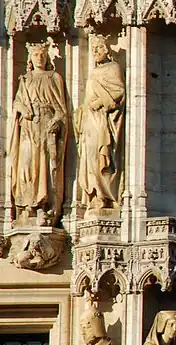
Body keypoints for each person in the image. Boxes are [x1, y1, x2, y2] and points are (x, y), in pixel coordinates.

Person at [9, 42, 68, 225]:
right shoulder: (25, 80)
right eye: (36, 55)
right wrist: (23, 109)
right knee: (26, 165)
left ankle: (44, 206)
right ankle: (27, 206)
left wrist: (56, 121)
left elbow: (61, 109)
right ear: (30, 59)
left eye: (42, 55)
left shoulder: (54, 78)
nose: (39, 58)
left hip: (46, 127)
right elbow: (17, 102)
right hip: (28, 127)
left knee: (45, 165)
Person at [75, 35, 125, 217]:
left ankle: (106, 197)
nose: (95, 51)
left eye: (99, 47)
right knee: (90, 159)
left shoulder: (113, 68)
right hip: (90, 121)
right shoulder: (93, 73)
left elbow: (118, 93)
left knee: (102, 157)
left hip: (104, 120)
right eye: (93, 48)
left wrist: (100, 102)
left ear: (107, 50)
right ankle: (95, 195)